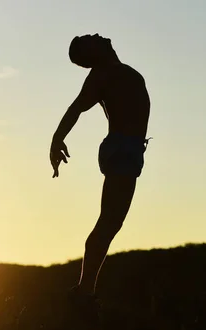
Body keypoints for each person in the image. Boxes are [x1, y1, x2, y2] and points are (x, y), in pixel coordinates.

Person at [50, 33, 151, 308]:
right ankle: (84, 293)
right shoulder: (102, 75)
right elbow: (76, 108)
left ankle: (85, 292)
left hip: (128, 151)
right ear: (91, 54)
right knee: (108, 222)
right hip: (122, 151)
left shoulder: (117, 71)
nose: (95, 35)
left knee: (111, 223)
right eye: (87, 39)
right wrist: (57, 139)